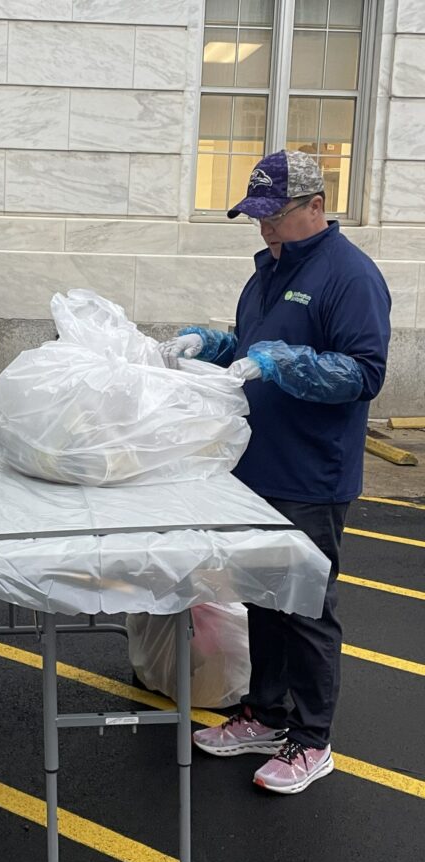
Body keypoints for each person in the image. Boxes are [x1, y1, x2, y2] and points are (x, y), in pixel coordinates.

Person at [160, 149, 391, 795]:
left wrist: (286, 363)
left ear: (316, 207)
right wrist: (210, 344)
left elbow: (364, 373)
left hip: (312, 474)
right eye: (256, 216)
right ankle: (265, 715)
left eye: (275, 215)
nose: (263, 227)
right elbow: (252, 346)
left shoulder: (350, 276)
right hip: (258, 467)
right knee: (262, 595)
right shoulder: (270, 269)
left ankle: (312, 741)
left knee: (309, 609)